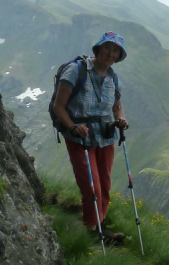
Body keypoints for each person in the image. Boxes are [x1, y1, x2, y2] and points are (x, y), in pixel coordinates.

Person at [52, 32, 129, 244]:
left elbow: (117, 106)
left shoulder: (113, 77)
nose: (111, 54)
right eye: (108, 49)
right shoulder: (76, 70)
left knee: (104, 183)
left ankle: (100, 224)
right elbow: (59, 106)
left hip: (106, 136)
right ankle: (94, 233)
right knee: (91, 186)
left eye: (116, 51)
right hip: (80, 137)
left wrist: (121, 119)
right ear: (98, 49)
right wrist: (73, 126)